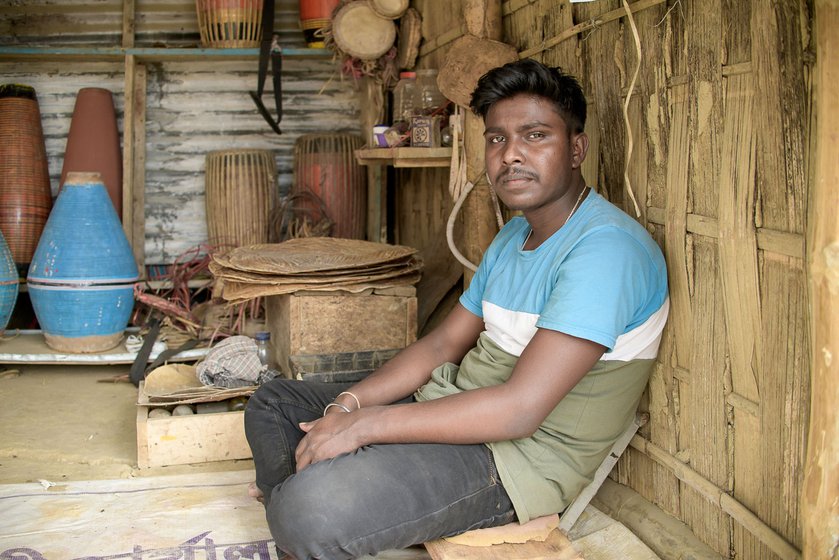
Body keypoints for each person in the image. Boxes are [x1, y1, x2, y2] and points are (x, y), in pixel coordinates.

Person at [244, 58, 669, 560]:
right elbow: (444, 344)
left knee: (309, 511)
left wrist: (365, 427)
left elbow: (519, 412)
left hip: (514, 460)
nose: (511, 155)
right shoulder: (515, 234)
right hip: (452, 407)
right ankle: (324, 497)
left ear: (576, 149)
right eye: (496, 139)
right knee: (274, 404)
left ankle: (307, 503)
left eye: (535, 136)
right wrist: (347, 407)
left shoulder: (606, 251)